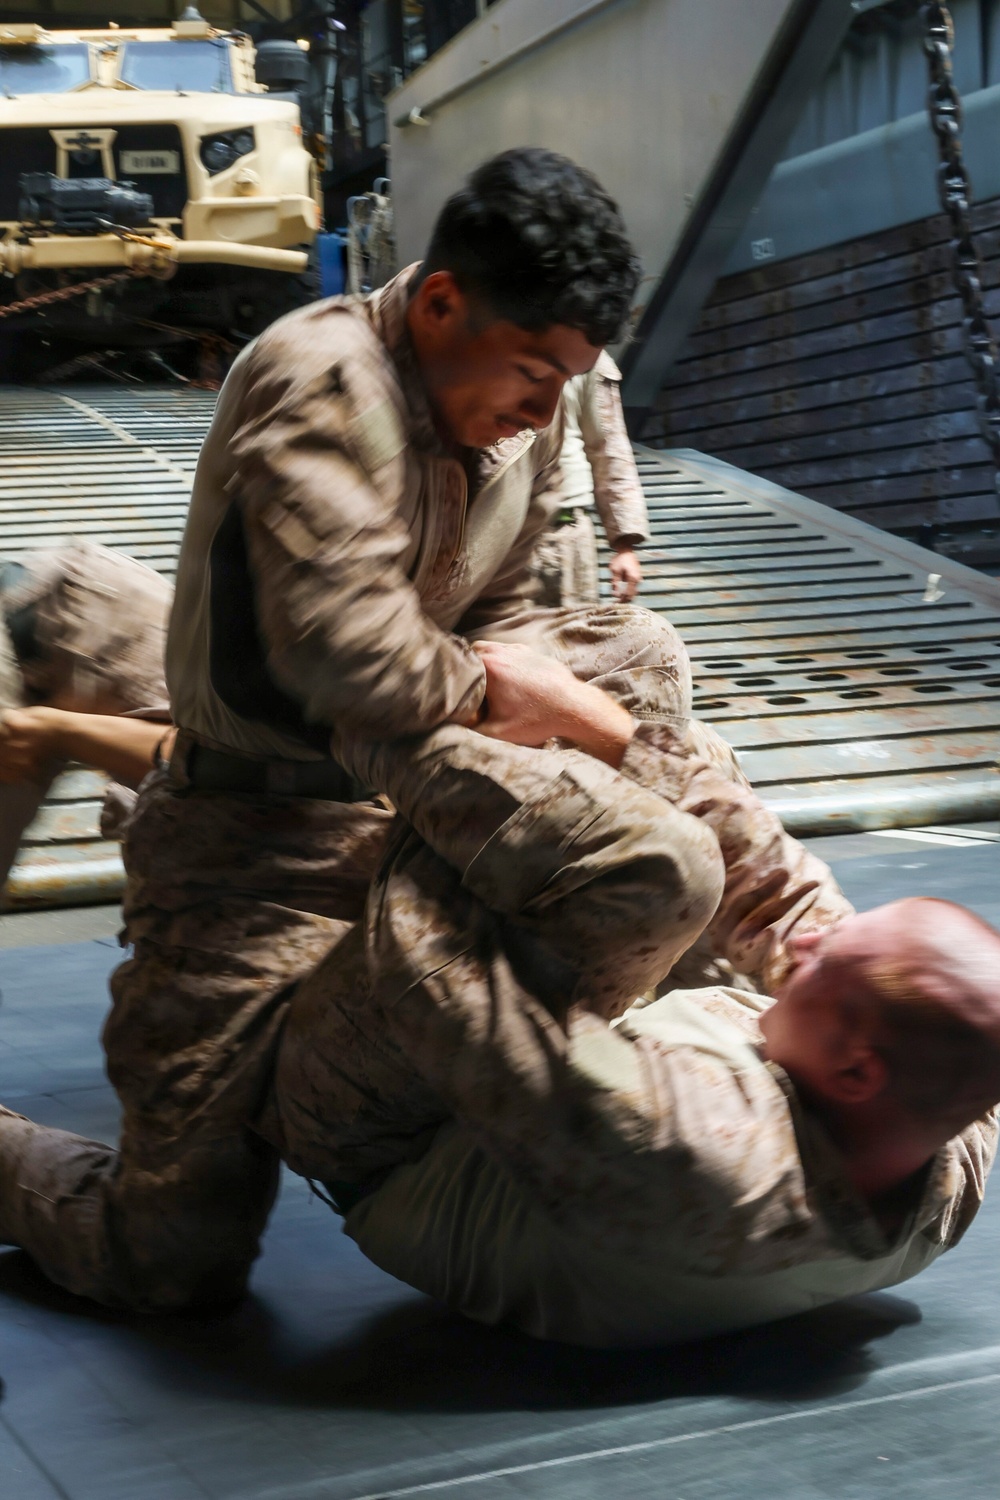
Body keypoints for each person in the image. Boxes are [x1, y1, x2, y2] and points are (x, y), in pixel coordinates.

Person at [0, 635, 854, 1318]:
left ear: (860, 1070)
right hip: (408, 847)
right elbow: (788, 898)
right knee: (646, 676)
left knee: (162, 1254)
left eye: (830, 969)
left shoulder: (699, 1144)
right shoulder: (939, 1104)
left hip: (357, 977)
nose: (813, 950)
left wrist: (409, 753)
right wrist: (596, 732)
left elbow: (434, 978)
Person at [0, 542, 172, 887]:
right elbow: (191, 760)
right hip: (63, 615)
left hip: (84, 608)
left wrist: (59, 729)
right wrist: (57, 729)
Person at [531, 353, 649, 606]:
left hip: (561, 534)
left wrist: (625, 546)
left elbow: (609, 447)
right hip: (490, 531)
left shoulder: (588, 351)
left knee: (571, 638)